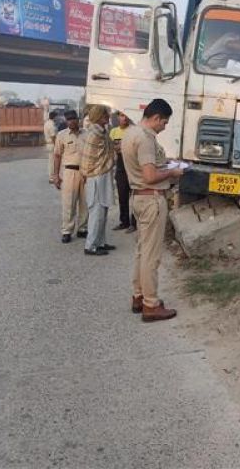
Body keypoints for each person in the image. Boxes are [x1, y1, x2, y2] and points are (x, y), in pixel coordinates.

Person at [122, 98, 184, 322]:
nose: (164, 127)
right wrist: (173, 172)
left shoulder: (130, 133)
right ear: (156, 117)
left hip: (138, 198)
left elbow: (145, 167)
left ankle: (139, 296)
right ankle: (151, 304)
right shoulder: (146, 139)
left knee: (142, 251)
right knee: (151, 255)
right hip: (151, 199)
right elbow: (149, 176)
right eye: (164, 122)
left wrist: (166, 163)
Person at [80, 105, 115, 256]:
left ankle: (100, 242)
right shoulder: (95, 134)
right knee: (96, 211)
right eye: (105, 114)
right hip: (96, 176)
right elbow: (90, 161)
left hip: (103, 173)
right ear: (99, 117)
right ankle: (90, 246)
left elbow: (108, 151)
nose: (108, 116)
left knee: (103, 210)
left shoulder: (102, 131)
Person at [52, 111, 89, 243]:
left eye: (74, 118)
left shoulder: (87, 134)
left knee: (85, 203)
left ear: (78, 119)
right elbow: (57, 156)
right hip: (69, 172)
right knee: (69, 203)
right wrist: (56, 175)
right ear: (66, 121)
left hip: (86, 173)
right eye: (69, 119)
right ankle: (67, 231)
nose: (72, 121)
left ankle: (82, 229)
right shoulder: (61, 136)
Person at [109, 111, 137, 233]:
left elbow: (134, 148)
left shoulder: (133, 130)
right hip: (120, 168)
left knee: (135, 197)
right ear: (117, 117)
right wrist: (121, 147)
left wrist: (120, 147)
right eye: (121, 115)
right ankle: (124, 222)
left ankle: (134, 223)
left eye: (126, 115)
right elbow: (111, 147)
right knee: (122, 197)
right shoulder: (114, 132)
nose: (124, 118)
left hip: (132, 167)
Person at [44, 111, 59, 183]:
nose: (57, 118)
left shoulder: (47, 123)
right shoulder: (51, 125)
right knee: (52, 162)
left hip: (49, 144)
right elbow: (53, 136)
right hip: (52, 144)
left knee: (51, 161)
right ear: (54, 117)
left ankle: (51, 177)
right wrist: (57, 145)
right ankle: (51, 178)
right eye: (56, 117)